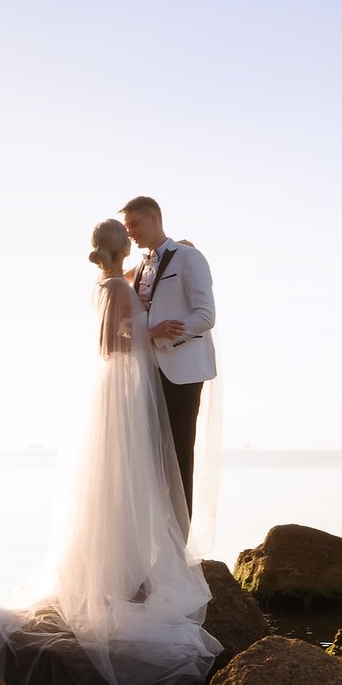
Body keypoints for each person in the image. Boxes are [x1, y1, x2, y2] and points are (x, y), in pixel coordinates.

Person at [0, 219, 222, 685]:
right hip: (122, 394)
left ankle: (118, 569)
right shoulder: (119, 286)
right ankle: (123, 576)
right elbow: (111, 345)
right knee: (125, 481)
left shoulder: (110, 284)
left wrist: (147, 327)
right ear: (123, 248)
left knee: (118, 485)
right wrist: (153, 330)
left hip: (115, 393)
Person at [119, 196, 216, 508]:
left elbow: (205, 316)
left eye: (134, 224)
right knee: (149, 460)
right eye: (126, 227)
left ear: (154, 218)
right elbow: (113, 290)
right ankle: (157, 537)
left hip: (182, 373)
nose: (130, 232)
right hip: (145, 373)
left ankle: (178, 547)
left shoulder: (189, 257)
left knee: (178, 458)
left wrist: (163, 338)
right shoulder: (140, 268)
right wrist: (145, 335)